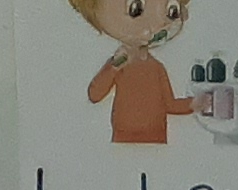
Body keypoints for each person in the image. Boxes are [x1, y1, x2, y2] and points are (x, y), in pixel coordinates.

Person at [72, 0, 191, 142]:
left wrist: (198, 103)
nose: (158, 24)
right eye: (136, 9)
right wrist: (113, 68)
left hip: (157, 139)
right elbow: (95, 94)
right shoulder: (119, 66)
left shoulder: (156, 68)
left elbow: (170, 104)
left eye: (172, 12)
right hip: (123, 140)